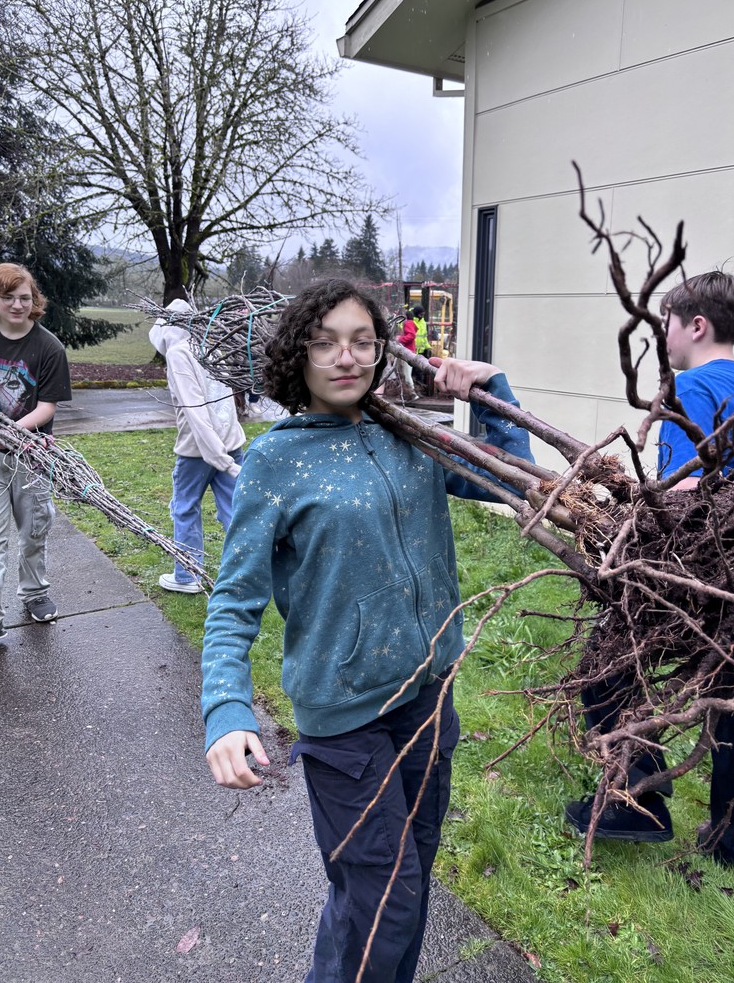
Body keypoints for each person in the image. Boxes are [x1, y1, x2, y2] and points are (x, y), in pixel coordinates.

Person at [201, 278, 533, 983]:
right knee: (387, 901)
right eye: (325, 342)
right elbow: (233, 601)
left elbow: (517, 480)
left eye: (361, 341)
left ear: (383, 350)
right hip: (346, 722)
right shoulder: (276, 461)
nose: (345, 357)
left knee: (386, 896)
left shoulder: (410, 436)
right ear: (299, 355)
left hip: (428, 702)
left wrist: (493, 390)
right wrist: (226, 710)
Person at [565, 270, 734, 875]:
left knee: (606, 669)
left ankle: (636, 803)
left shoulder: (689, 387)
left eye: (666, 322)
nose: (663, 335)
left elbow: (682, 493)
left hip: (694, 569)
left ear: (695, 326)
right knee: (733, 701)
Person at [0, 263, 71, 653]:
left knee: (35, 525)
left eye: (24, 297)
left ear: (34, 300)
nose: (17, 305)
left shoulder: (49, 347)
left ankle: (34, 592)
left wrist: (15, 432)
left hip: (33, 452)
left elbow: (47, 406)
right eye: (8, 297)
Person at [149, 298, 246, 593]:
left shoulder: (180, 354)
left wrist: (220, 458)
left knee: (185, 507)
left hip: (200, 450)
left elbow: (197, 410)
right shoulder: (209, 347)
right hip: (230, 443)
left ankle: (188, 574)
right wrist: (228, 456)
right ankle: (246, 573)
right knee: (233, 508)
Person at [396, 306, 419, 402]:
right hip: (410, 351)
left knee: (406, 373)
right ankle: (409, 394)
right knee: (406, 373)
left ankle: (412, 394)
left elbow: (411, 335)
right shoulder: (412, 323)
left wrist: (400, 339)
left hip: (407, 351)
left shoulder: (408, 323)